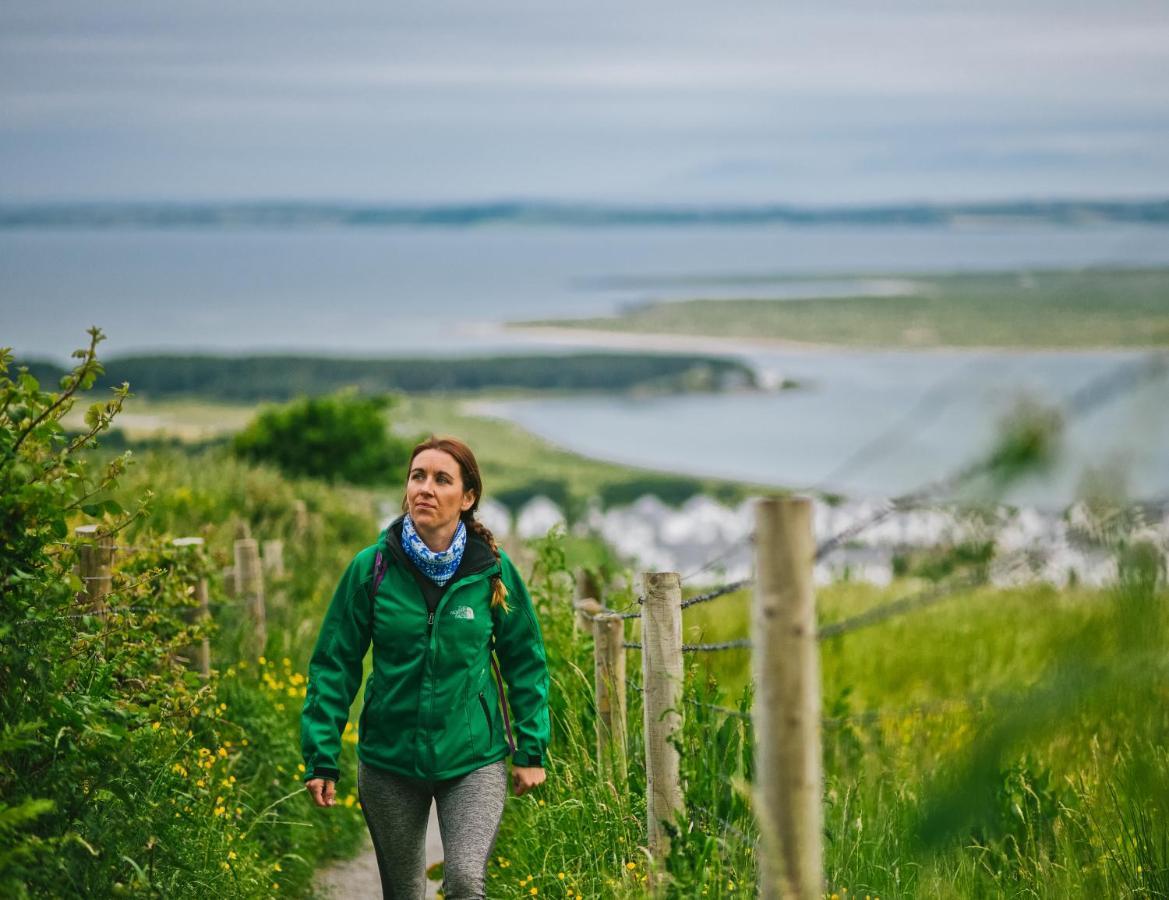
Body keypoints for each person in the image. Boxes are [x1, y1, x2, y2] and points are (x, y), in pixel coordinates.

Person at [300, 435, 550, 899]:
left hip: (473, 758)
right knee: (405, 891)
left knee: (465, 882)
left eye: (441, 479)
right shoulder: (371, 569)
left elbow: (525, 659)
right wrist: (321, 756)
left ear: (468, 497)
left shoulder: (492, 571)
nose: (426, 489)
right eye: (418, 477)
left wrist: (531, 750)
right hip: (390, 759)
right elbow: (334, 664)